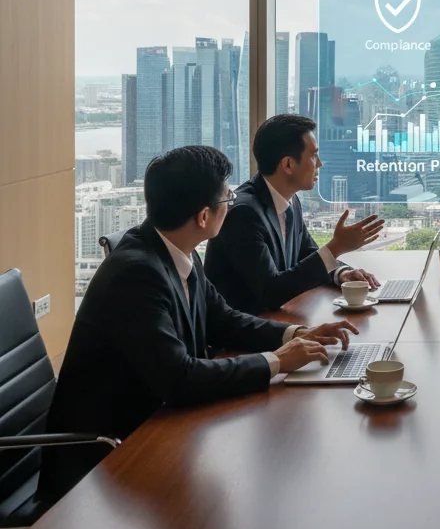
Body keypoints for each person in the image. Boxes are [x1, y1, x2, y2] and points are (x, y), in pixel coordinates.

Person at [40, 146, 358, 502]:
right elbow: (180, 379)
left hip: (156, 427)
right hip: (104, 463)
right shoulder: (136, 274)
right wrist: (277, 362)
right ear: (204, 216)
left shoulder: (175, 248)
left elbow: (222, 319)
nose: (232, 204)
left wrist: (296, 334)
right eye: (228, 198)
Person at [205, 114, 385, 315]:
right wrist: (336, 247)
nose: (320, 164)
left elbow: (306, 252)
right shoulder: (243, 213)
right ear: (288, 164)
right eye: (314, 156)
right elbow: (271, 291)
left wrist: (341, 273)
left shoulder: (290, 200)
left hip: (277, 319)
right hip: (244, 330)